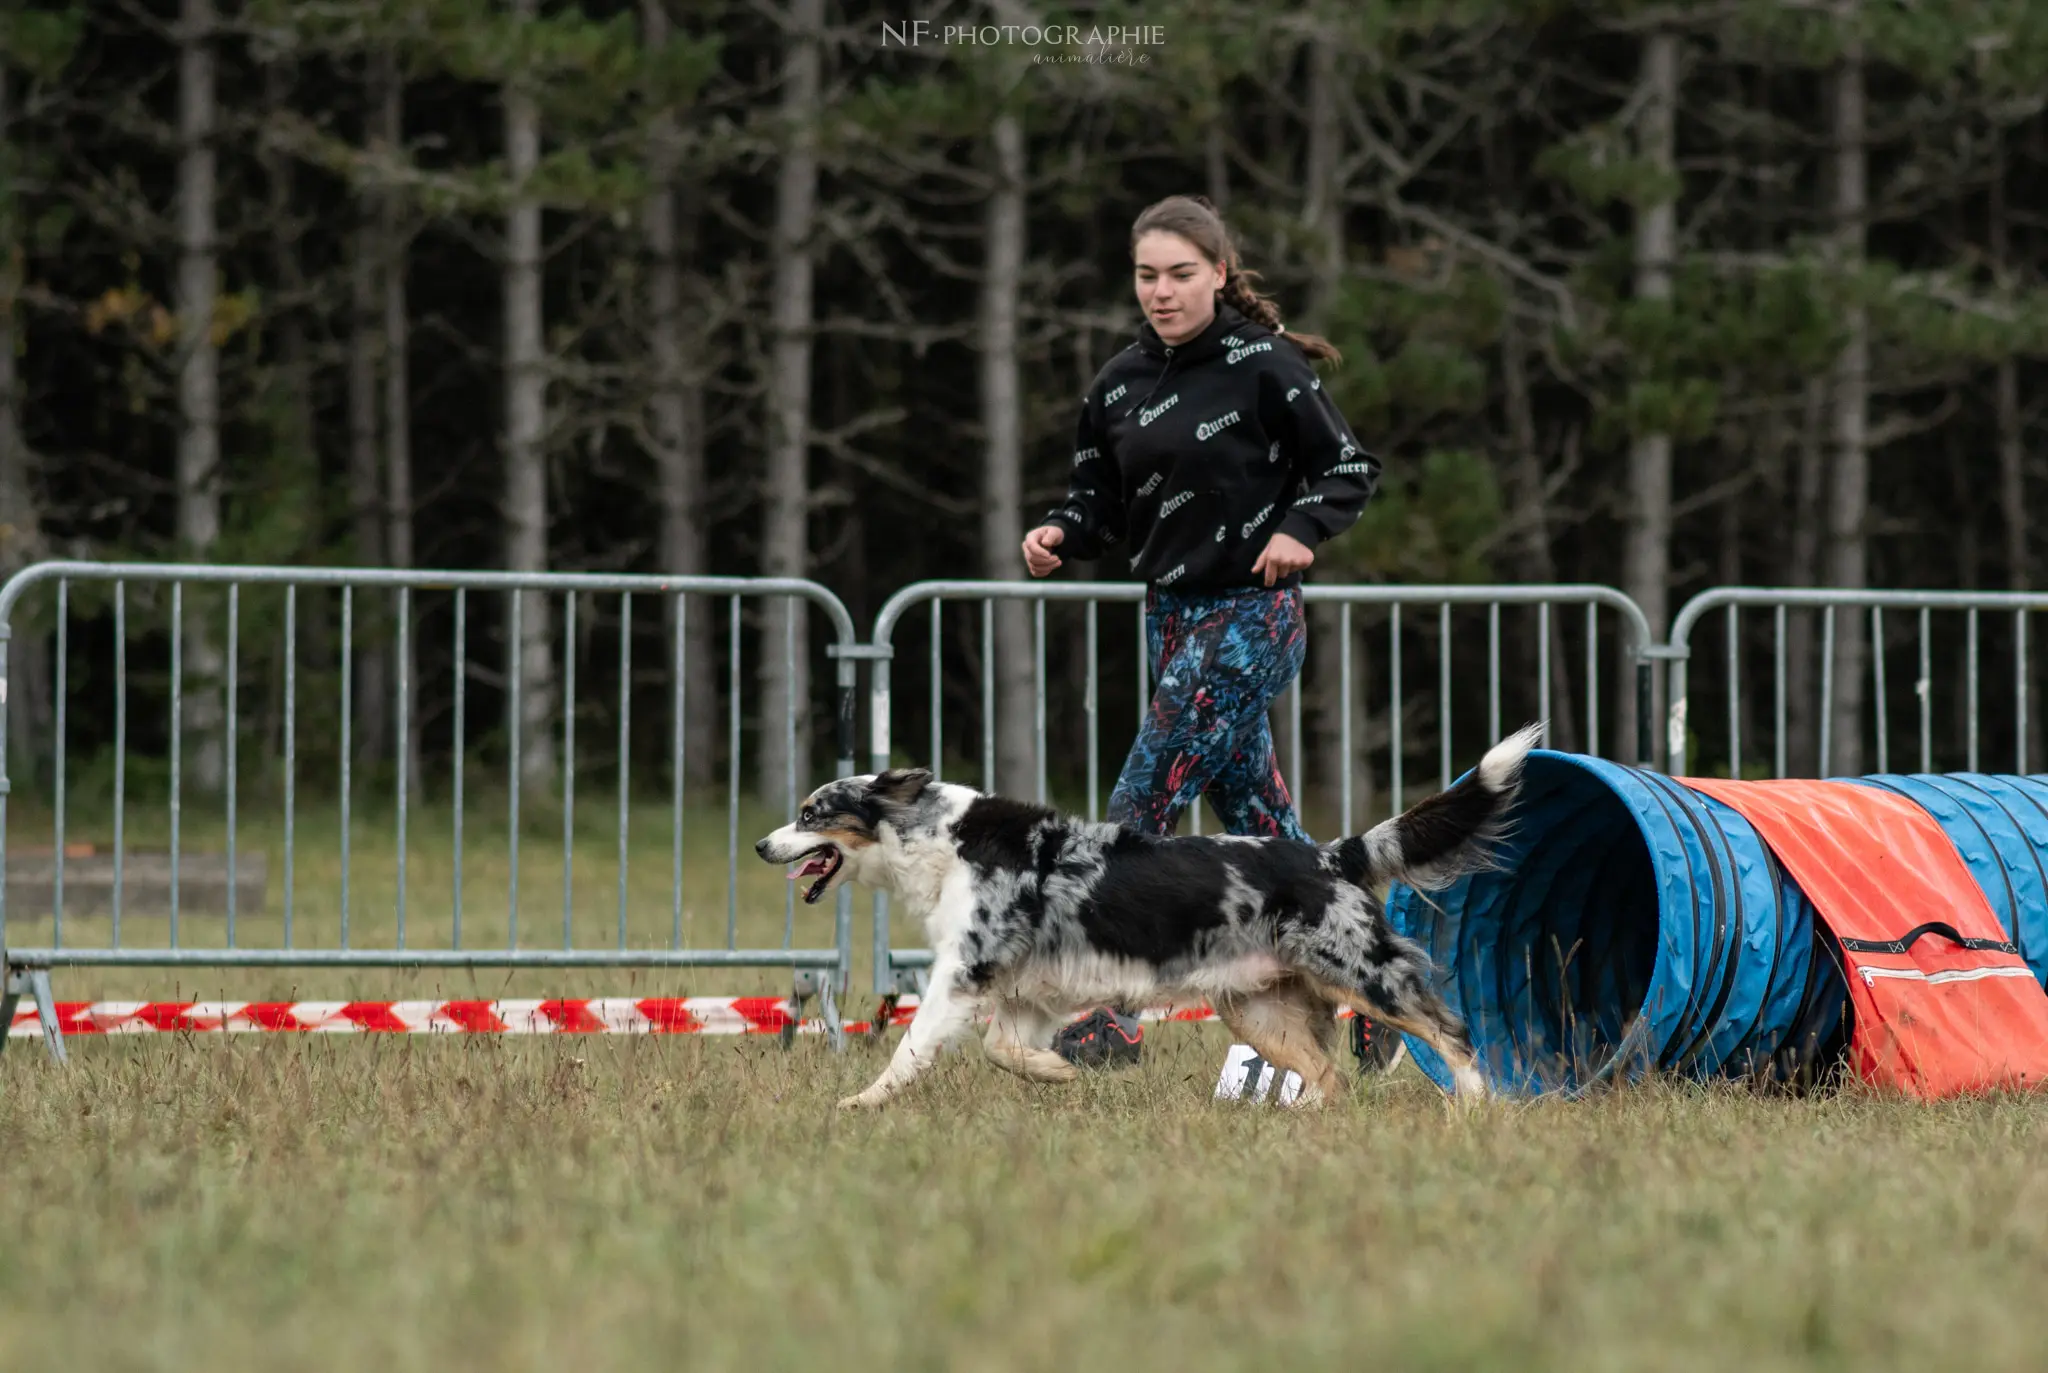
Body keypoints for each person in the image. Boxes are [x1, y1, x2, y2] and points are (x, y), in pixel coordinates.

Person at [1020, 193, 1405, 1075]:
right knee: (1270, 834)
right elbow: (1098, 504)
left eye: (1181, 275)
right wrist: (1057, 534)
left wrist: (1300, 530)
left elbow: (1346, 465)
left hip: (1252, 616)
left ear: (1219, 275)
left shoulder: (1264, 364)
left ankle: (1107, 1013)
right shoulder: (1117, 381)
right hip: (1170, 617)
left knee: (1138, 803)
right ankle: (1372, 990)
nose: (1162, 292)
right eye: (1147, 275)